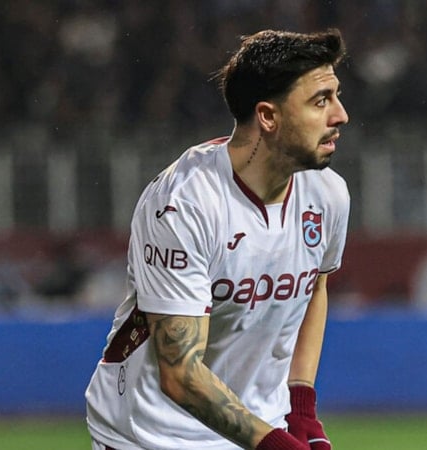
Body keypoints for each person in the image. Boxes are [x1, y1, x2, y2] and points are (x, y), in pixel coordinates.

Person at [85, 29, 350, 450]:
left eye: (336, 96)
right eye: (321, 101)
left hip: (257, 427)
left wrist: (301, 409)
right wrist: (276, 446)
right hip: (150, 434)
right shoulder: (183, 205)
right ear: (268, 117)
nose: (341, 115)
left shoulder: (328, 194)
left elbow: (314, 288)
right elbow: (180, 373)